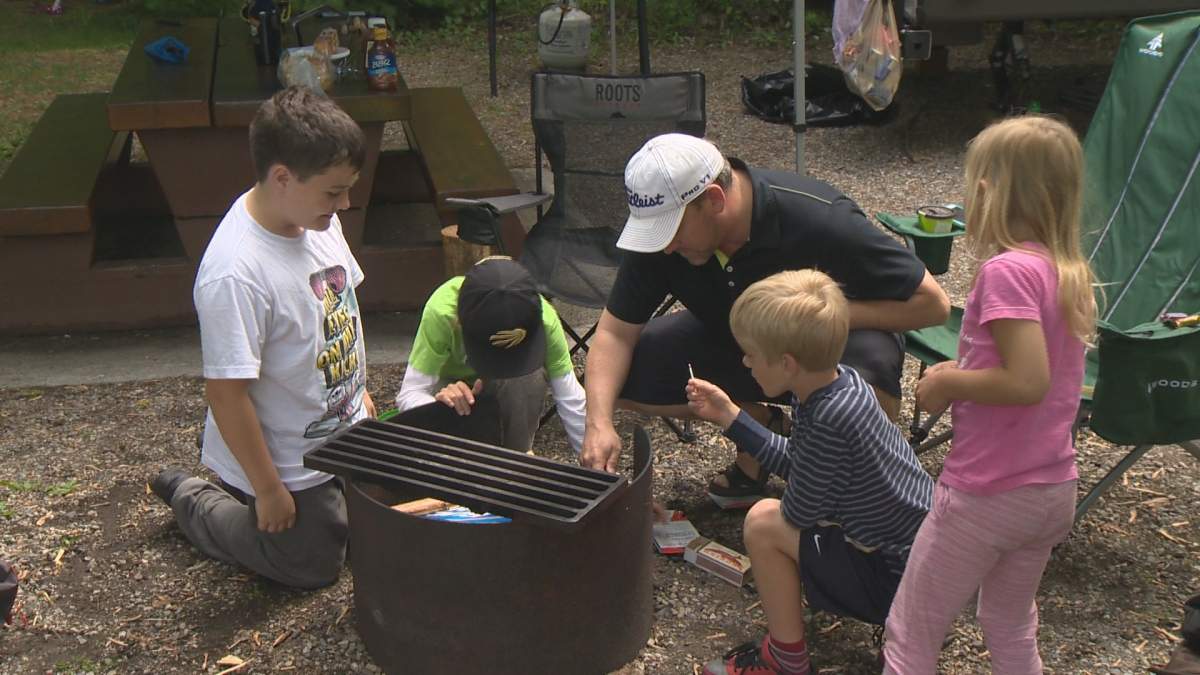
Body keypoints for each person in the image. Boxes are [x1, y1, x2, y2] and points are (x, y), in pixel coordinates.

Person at [581, 132, 949, 507]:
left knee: (868, 389)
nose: (666, 246)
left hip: (833, 340)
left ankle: (842, 473)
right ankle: (762, 431)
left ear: (714, 199)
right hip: (736, 339)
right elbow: (613, 335)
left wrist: (807, 316)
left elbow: (934, 304)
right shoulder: (665, 234)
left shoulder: (818, 217)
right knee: (616, 379)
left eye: (671, 230)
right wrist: (598, 424)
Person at [882, 115, 1096, 673]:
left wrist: (950, 381)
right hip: (1050, 489)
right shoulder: (1066, 271)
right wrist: (968, 367)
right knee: (1007, 622)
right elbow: (1034, 368)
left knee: (910, 635)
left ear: (986, 191)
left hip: (987, 495)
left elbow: (1028, 381)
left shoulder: (1007, 272)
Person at [149, 86, 374, 589]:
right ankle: (195, 498)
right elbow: (226, 394)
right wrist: (268, 488)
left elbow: (342, 311)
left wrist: (359, 394)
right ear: (281, 178)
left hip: (340, 426)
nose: (346, 202)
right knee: (313, 565)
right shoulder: (235, 273)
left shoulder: (315, 217)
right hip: (281, 457)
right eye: (334, 191)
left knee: (377, 532)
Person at [686, 269, 933, 675]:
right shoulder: (842, 385)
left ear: (786, 363)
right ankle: (907, 628)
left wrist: (740, 425)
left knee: (764, 523)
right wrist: (730, 415)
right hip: (925, 561)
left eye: (751, 353)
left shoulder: (828, 417)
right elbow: (803, 465)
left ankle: (786, 658)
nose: (745, 361)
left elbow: (799, 512)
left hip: (898, 580)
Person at [393, 256, 586, 454]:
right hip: (450, 388)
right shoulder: (443, 312)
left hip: (508, 383)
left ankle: (517, 458)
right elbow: (410, 394)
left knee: (531, 378)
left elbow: (569, 396)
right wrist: (438, 406)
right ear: (460, 320)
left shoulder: (545, 319)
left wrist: (595, 463)